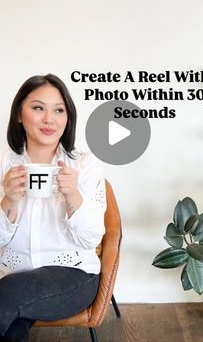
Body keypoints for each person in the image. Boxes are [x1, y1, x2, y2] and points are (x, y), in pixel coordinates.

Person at [0, 74, 106, 342]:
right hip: (13, 275)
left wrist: (73, 195)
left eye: (59, 110)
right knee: (10, 316)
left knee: (8, 294)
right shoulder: (5, 166)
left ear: (68, 117)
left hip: (73, 276)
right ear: (19, 115)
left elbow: (91, 239)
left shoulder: (85, 166)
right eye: (38, 108)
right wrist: (8, 200)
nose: (49, 119)